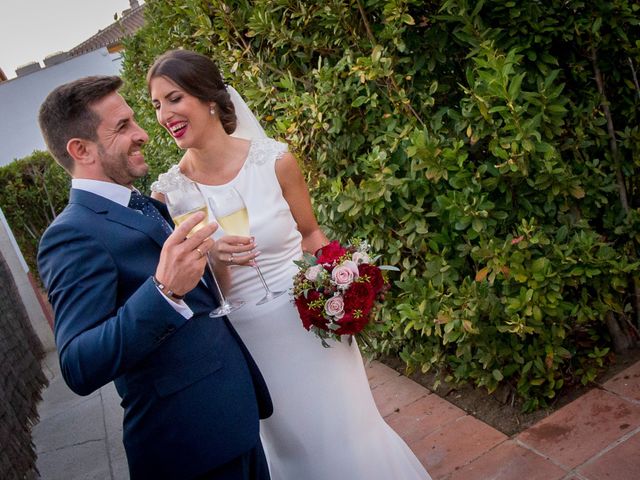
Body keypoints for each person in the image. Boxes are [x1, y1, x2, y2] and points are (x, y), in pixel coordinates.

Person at [148, 49, 430, 480]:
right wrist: (214, 263)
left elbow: (311, 234)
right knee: (292, 454)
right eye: (155, 105)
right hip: (247, 344)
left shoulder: (274, 159)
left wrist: (346, 281)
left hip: (310, 327)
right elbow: (184, 288)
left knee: (349, 438)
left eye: (174, 98)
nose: (164, 114)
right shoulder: (168, 195)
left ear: (208, 98)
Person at [37, 75, 273, 480]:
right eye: (123, 126)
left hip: (234, 422)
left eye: (134, 120)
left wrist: (208, 259)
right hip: (189, 451)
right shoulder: (71, 234)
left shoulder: (144, 204)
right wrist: (163, 291)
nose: (143, 133)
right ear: (80, 149)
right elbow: (79, 363)